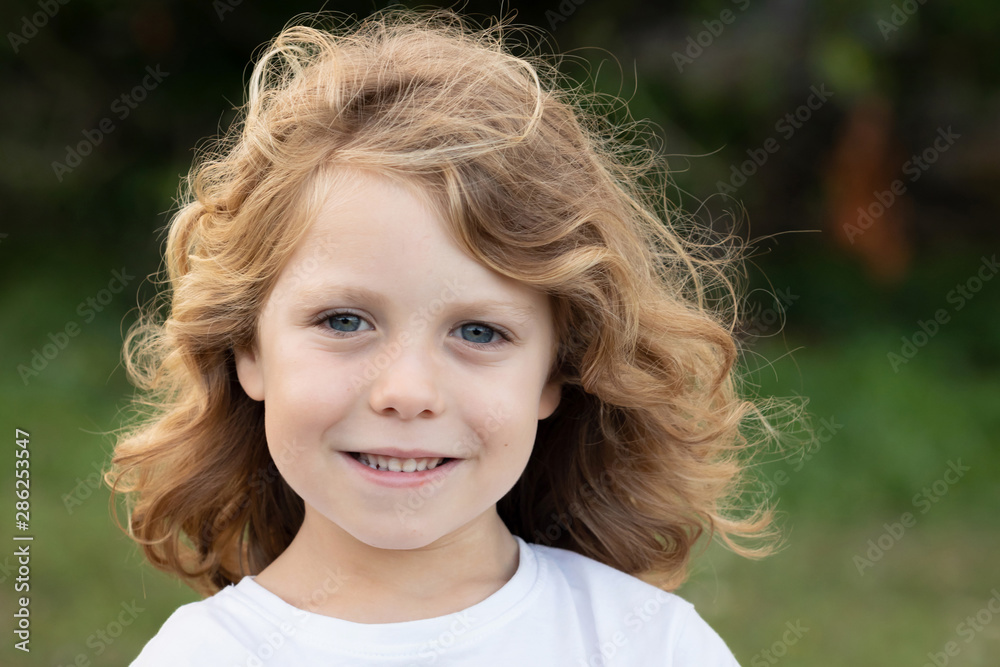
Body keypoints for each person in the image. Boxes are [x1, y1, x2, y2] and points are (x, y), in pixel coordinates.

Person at [107, 7, 785, 665]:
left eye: (479, 332)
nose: (408, 393)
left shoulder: (649, 644)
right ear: (247, 348)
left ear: (556, 370)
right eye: (344, 321)